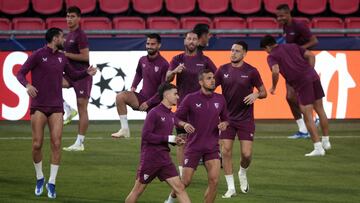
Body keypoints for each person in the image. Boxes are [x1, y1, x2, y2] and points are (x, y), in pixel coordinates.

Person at [16, 27, 96, 199]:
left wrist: (86, 73)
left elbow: (73, 75)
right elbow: (20, 73)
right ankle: (39, 178)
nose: (64, 40)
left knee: (56, 143)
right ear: (54, 38)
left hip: (56, 107)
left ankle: (51, 182)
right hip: (38, 105)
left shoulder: (62, 57)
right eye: (62, 37)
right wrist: (27, 86)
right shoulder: (38, 54)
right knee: (37, 144)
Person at [260, 35, 331, 156]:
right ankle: (326, 141)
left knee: (307, 115)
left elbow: (275, 70)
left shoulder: (271, 56)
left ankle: (318, 148)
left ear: (267, 47)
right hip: (313, 77)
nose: (265, 52)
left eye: (264, 50)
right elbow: (311, 55)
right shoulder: (292, 46)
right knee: (320, 109)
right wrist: (309, 71)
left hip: (302, 83)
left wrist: (273, 86)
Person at [165, 69, 229, 203]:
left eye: (213, 78)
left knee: (214, 181)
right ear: (201, 82)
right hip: (194, 146)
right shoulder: (190, 98)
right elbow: (176, 117)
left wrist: (224, 123)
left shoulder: (220, 99)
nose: (213, 81)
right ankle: (170, 200)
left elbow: (226, 118)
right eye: (208, 78)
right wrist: (184, 124)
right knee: (186, 181)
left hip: (212, 147)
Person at [215, 41, 267, 198]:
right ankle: (231, 187)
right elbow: (210, 88)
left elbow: (264, 92)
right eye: (232, 50)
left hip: (245, 119)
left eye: (237, 51)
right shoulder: (222, 70)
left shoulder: (251, 71)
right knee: (225, 151)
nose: (233, 53)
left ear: (244, 53)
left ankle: (242, 172)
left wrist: (256, 94)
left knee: (246, 154)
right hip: (227, 119)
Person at [125, 83, 192, 203]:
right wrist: (170, 139)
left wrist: (176, 140)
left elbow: (167, 135)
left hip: (164, 159)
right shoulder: (154, 113)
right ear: (166, 94)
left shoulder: (171, 114)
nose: (178, 97)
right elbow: (146, 136)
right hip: (150, 159)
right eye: (175, 94)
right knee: (137, 191)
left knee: (180, 188)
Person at [166, 31, 217, 177]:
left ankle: (208, 164)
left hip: (202, 107)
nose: (192, 41)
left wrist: (210, 90)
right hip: (183, 105)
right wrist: (175, 71)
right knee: (181, 139)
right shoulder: (177, 59)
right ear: (184, 41)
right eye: (189, 39)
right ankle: (182, 173)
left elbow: (217, 76)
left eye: (194, 39)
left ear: (198, 42)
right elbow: (167, 78)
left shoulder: (205, 60)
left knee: (203, 137)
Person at [111, 33, 169, 138]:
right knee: (120, 97)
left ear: (159, 45)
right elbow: (138, 73)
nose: (149, 46)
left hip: (156, 103)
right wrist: (134, 86)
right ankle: (125, 130)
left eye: (152, 44)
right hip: (142, 97)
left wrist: (149, 103)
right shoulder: (142, 59)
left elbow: (163, 89)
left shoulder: (164, 64)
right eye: (148, 43)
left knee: (154, 136)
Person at [276, 4, 319, 139]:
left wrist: (298, 49)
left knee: (298, 96)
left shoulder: (299, 25)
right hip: (291, 64)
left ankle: (312, 121)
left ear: (288, 14)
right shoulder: (285, 26)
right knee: (289, 97)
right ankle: (303, 128)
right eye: (277, 16)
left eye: (281, 16)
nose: (279, 18)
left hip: (301, 65)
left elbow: (314, 41)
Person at [62, 6, 93, 151]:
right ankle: (67, 108)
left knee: (83, 109)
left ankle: (80, 143)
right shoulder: (68, 35)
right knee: (49, 83)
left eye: (72, 16)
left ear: (79, 18)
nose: (69, 19)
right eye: (68, 16)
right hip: (70, 74)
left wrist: (66, 54)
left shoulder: (80, 35)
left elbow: (85, 56)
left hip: (82, 76)